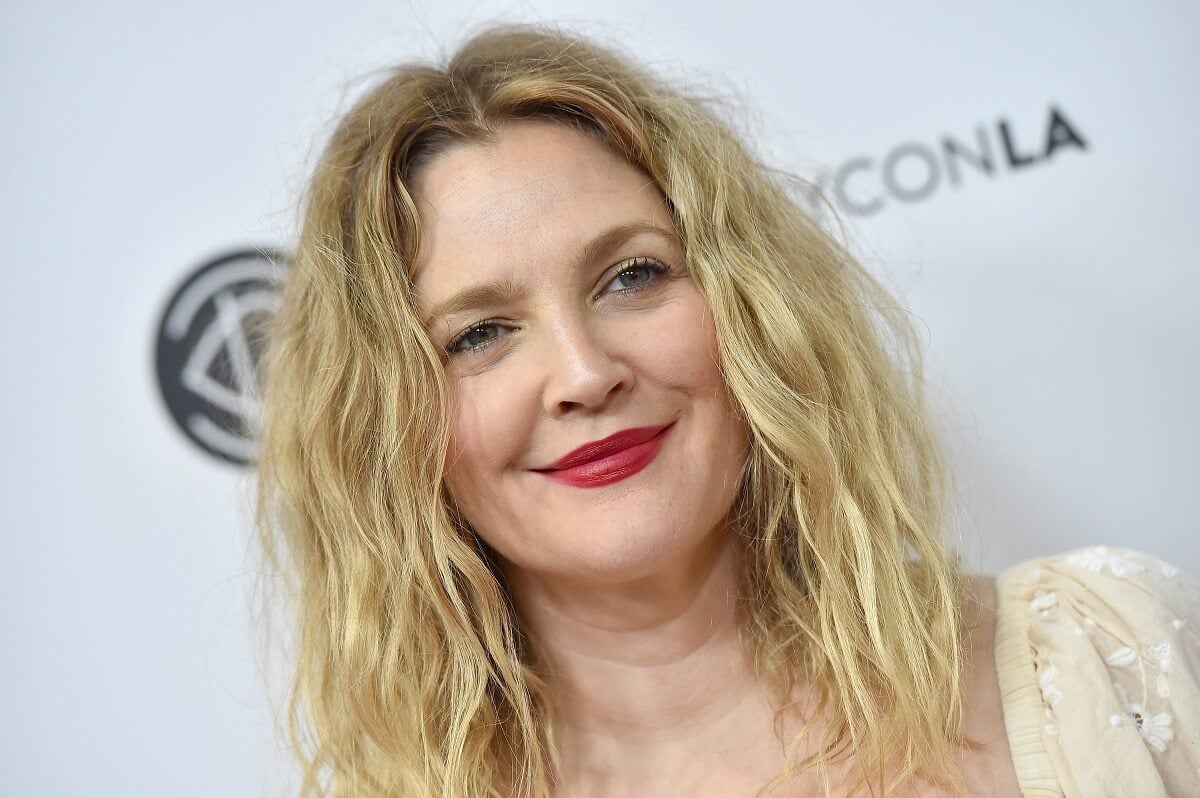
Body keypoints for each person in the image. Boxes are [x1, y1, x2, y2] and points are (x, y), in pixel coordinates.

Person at [254, 24, 1199, 797]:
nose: (584, 372)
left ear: (751, 308)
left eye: (633, 276)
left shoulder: (1106, 653)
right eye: (478, 335)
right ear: (384, 430)